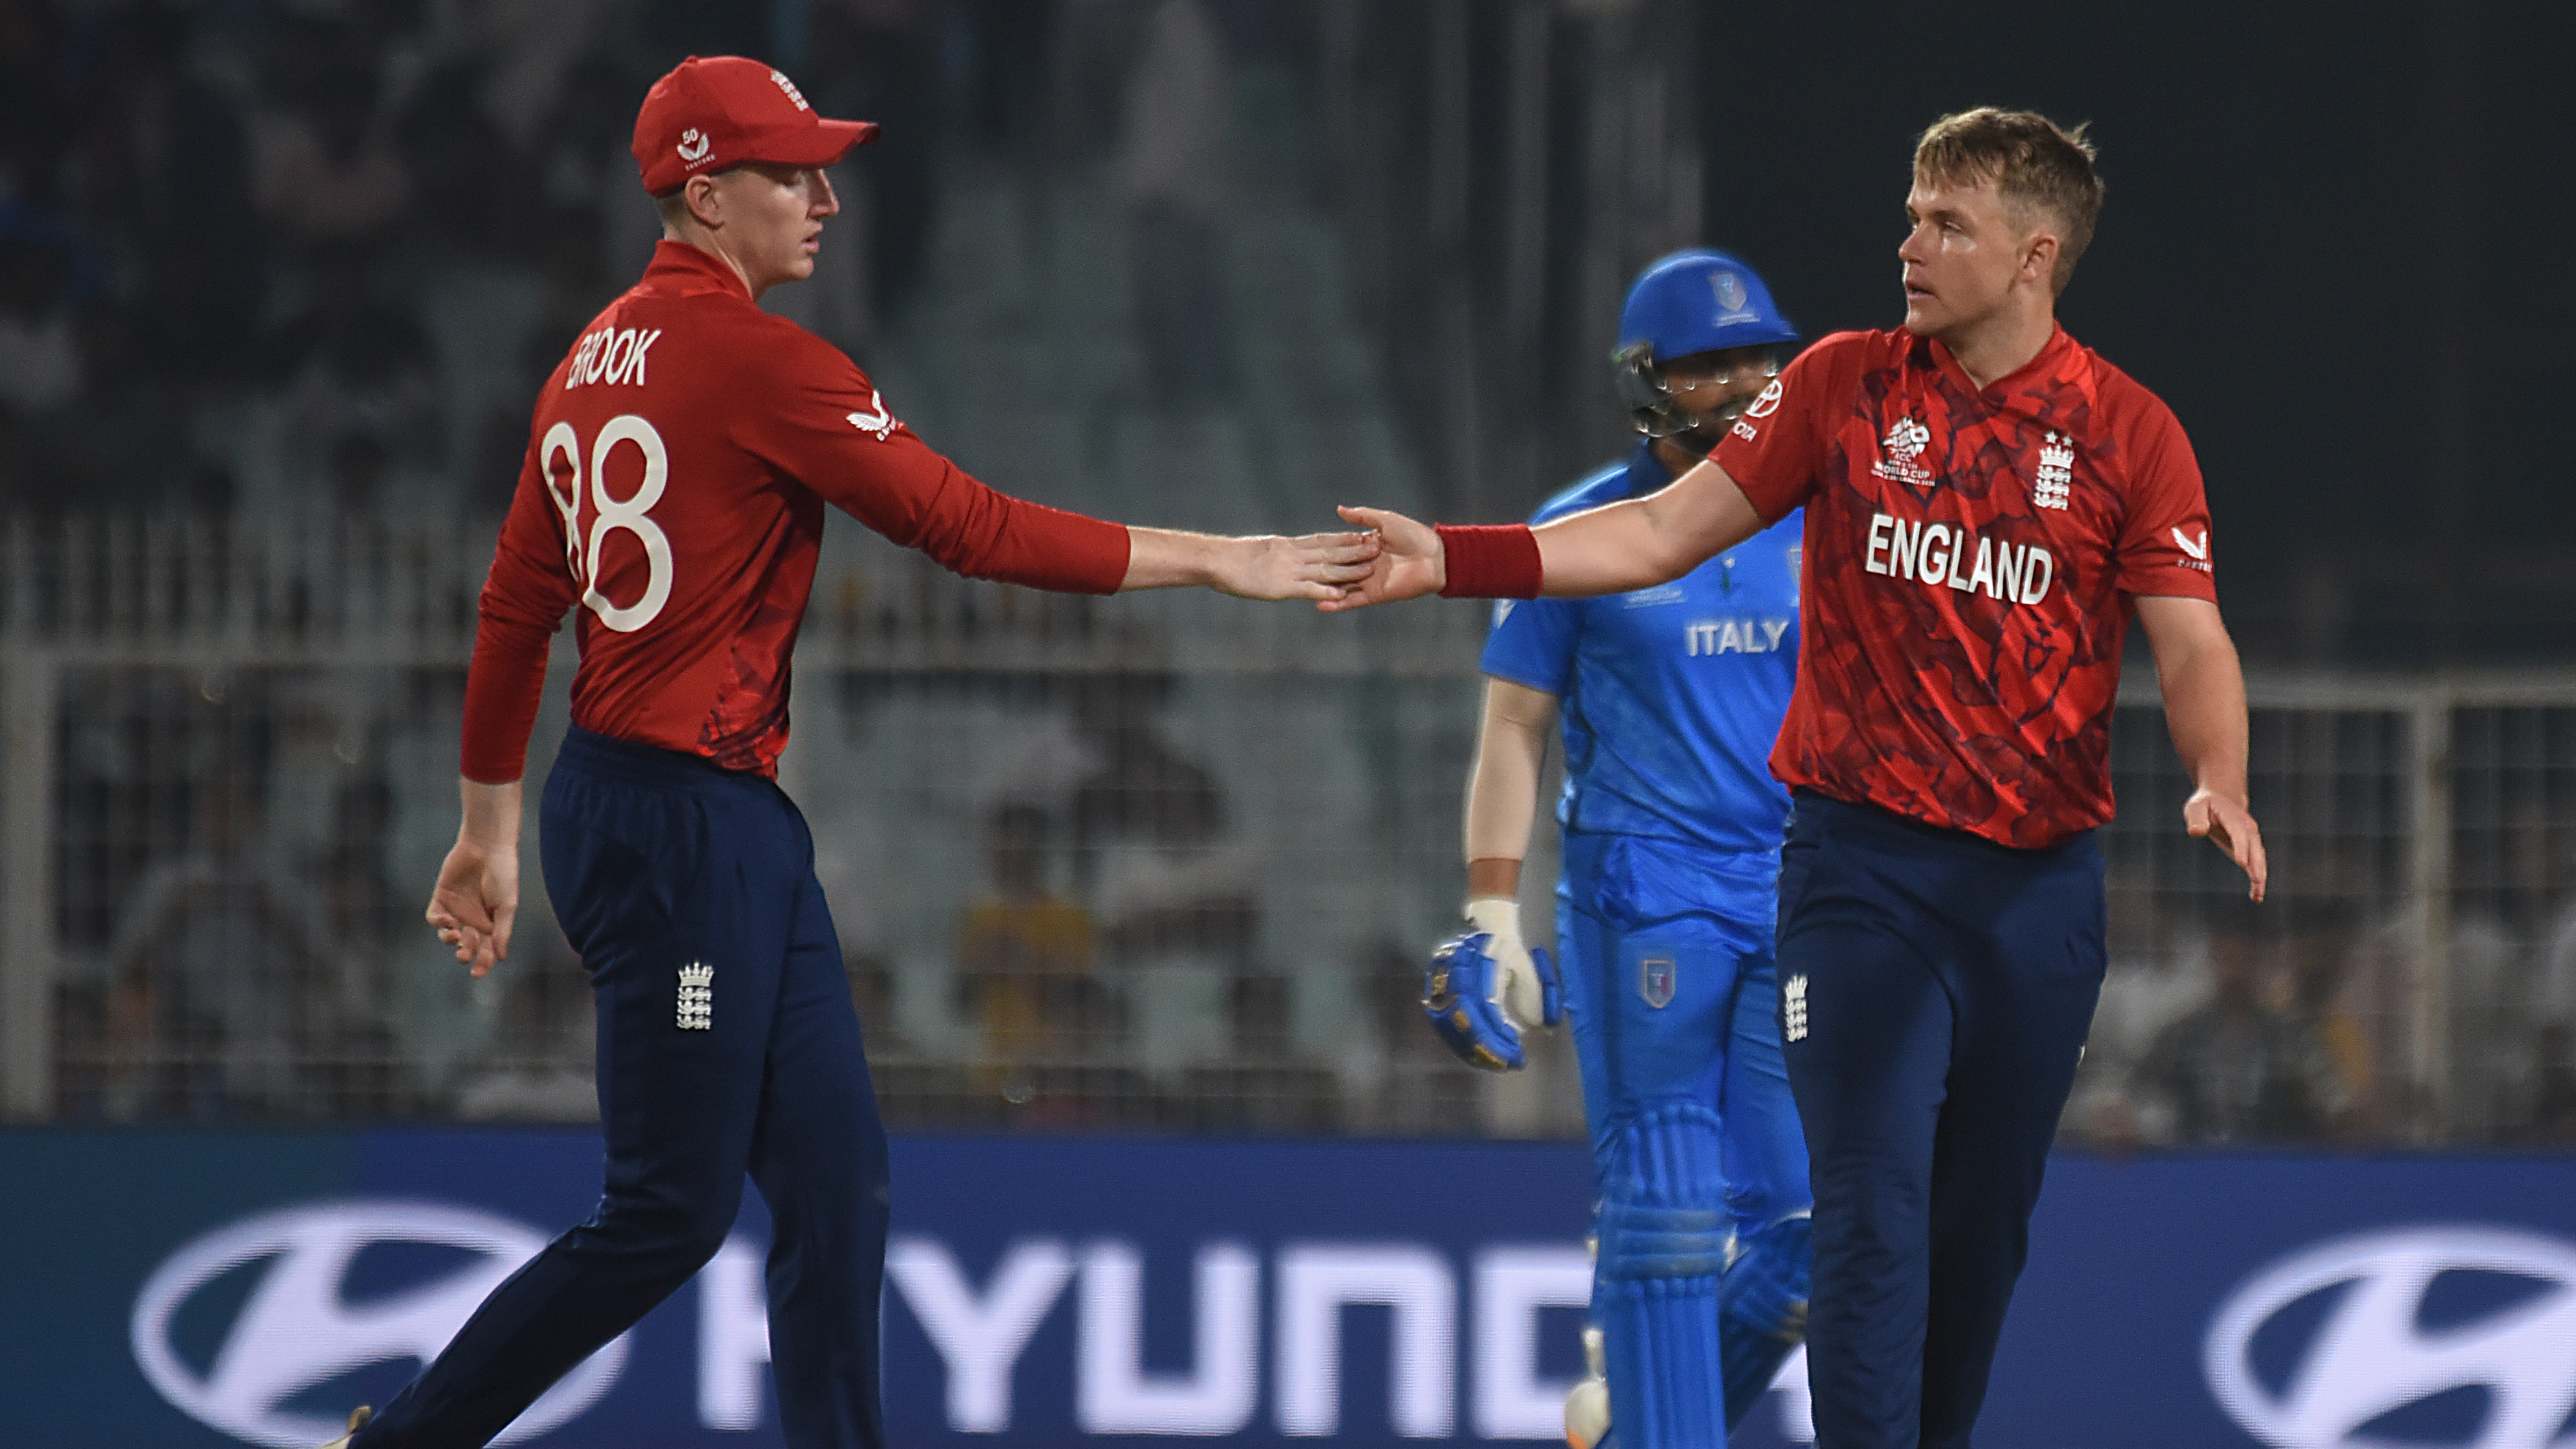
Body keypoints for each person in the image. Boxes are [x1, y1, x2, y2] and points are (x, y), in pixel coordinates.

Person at [326, 54, 1373, 1449]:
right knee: (667, 1211)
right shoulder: (762, 362)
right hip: (682, 826)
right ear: (706, 193)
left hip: (690, 813)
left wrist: (486, 826)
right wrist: (1219, 558)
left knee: (838, 1182)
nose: (824, 199)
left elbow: (519, 606)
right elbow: (973, 529)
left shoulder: (587, 359)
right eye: (790, 173)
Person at [1336, 108, 2267, 1449]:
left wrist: (2217, 775)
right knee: (1828, 1210)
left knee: (1948, 1235)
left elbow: (2191, 639)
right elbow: (1647, 543)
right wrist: (1453, 558)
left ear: (2033, 255)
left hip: (2008, 892)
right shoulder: (1839, 388)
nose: (1908, 245)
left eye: (1945, 224)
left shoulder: (2125, 431)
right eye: (1909, 214)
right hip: (1828, 874)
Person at [1425, 250, 1812, 1449]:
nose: (1743, 384)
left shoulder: (1829, 516)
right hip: (1641, 891)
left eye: (1759, 359)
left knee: (1819, 1231)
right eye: (1709, 365)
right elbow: (1513, 726)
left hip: (1800, 892)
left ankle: (1636, 1419)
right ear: (1647, 380)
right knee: (1667, 1207)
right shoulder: (1578, 529)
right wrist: (1492, 910)